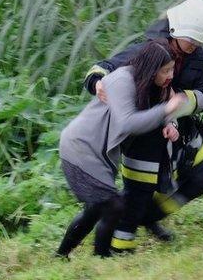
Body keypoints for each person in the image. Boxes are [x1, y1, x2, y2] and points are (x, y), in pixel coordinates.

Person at [83, 0, 203, 252]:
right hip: (145, 136)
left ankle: (149, 217)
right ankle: (118, 242)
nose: (195, 45)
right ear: (176, 32)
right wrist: (97, 83)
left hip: (182, 133)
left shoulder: (202, 60)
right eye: (191, 40)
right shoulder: (149, 53)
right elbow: (103, 68)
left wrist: (180, 103)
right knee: (137, 194)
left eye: (199, 41)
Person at [56, 40, 186, 258]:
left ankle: (62, 256)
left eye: (172, 69)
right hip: (80, 147)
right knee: (112, 206)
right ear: (152, 68)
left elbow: (151, 114)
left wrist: (170, 124)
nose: (170, 75)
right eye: (166, 70)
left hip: (96, 154)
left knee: (98, 208)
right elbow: (128, 122)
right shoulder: (122, 79)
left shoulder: (150, 83)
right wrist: (165, 110)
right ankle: (102, 257)